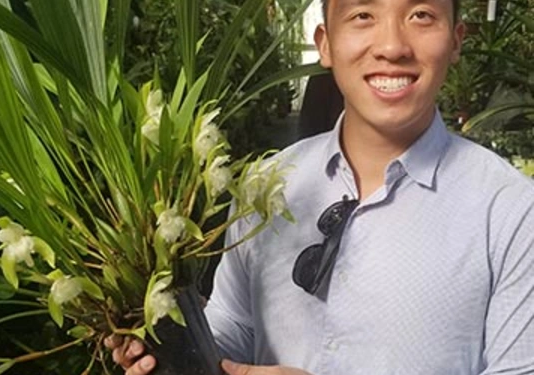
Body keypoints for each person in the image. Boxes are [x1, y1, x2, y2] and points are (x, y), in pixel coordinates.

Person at [107, 0, 534, 374]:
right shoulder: (266, 185)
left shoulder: (510, 212)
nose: (392, 46)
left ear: (456, 39)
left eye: (421, 15)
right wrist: (172, 349)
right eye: (363, 15)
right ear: (325, 43)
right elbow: (234, 325)